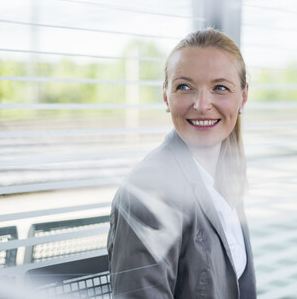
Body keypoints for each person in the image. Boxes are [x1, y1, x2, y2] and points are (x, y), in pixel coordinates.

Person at [107, 28, 256, 298]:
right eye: (184, 87)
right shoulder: (148, 192)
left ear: (243, 97)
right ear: (166, 96)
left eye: (220, 88)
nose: (201, 104)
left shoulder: (227, 176)